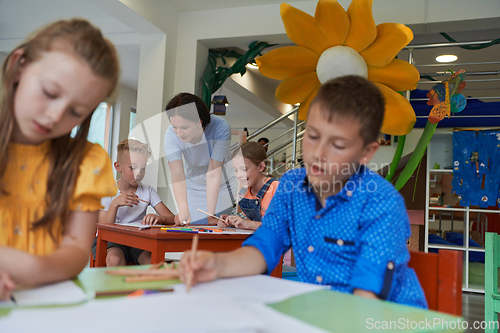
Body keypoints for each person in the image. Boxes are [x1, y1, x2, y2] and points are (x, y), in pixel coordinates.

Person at [179, 76, 428, 308]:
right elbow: (264, 247)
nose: (318, 153)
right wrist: (218, 264)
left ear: (366, 153)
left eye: (338, 144)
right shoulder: (292, 186)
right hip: (325, 310)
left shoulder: (381, 201)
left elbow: (367, 298)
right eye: (312, 136)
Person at [0, 19, 120, 300]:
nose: (55, 116)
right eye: (49, 93)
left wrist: (30, 267)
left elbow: (78, 251)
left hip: (44, 300)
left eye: (76, 112)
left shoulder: (86, 160)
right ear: (19, 66)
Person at [92, 139, 176, 267]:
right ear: (118, 166)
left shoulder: (148, 191)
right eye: (132, 167)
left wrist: (159, 218)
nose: (139, 173)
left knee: (153, 262)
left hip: (138, 242)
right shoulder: (106, 191)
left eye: (142, 168)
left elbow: (172, 218)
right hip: (110, 241)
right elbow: (103, 227)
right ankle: (121, 288)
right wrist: (115, 204)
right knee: (115, 259)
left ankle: (146, 288)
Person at [164, 93, 237, 225]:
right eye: (175, 126)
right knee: (191, 225)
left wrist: (211, 216)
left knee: (217, 230)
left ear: (199, 121)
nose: (179, 134)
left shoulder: (220, 128)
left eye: (184, 127)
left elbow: (214, 174)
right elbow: (177, 174)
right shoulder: (171, 134)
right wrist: (183, 209)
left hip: (220, 185)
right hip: (193, 183)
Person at [218, 142, 278, 230]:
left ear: (261, 167)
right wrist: (232, 221)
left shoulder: (277, 188)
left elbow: (283, 226)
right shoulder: (244, 192)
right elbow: (248, 222)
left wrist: (249, 224)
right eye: (236, 170)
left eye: (244, 169)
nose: (239, 175)